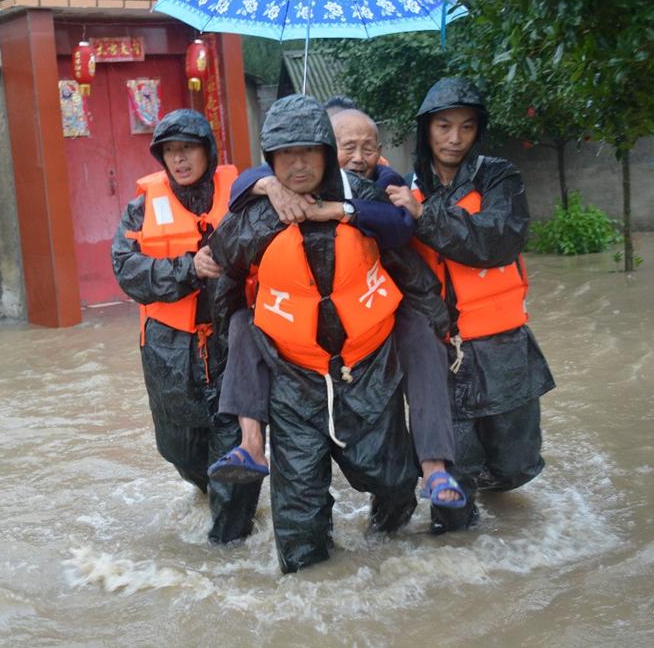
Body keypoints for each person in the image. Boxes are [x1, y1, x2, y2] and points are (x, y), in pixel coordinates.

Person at [208, 94, 450, 573]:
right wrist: (225, 350)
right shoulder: (254, 216)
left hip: (369, 371)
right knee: (298, 522)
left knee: (394, 484)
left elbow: (410, 272)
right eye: (284, 155)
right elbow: (227, 284)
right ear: (269, 160)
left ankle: (392, 558)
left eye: (308, 152)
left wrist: (442, 328)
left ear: (325, 150)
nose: (297, 165)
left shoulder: (366, 200)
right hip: (293, 380)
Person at [386, 78, 556, 534]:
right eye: (443, 126)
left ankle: (491, 493)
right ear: (426, 130)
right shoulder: (401, 189)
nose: (454, 138)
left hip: (503, 346)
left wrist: (425, 216)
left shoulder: (499, 177)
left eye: (465, 127)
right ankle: (458, 535)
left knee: (517, 465)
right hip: (442, 352)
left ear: (478, 131)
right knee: (453, 494)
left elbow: (497, 240)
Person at [111, 109, 261, 544]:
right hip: (167, 348)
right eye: (171, 152)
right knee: (178, 447)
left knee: (231, 438)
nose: (179, 160)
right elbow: (126, 270)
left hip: (230, 339)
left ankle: (228, 544)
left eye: (188, 149)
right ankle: (211, 489)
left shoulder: (240, 196)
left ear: (208, 152)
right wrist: (188, 268)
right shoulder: (140, 209)